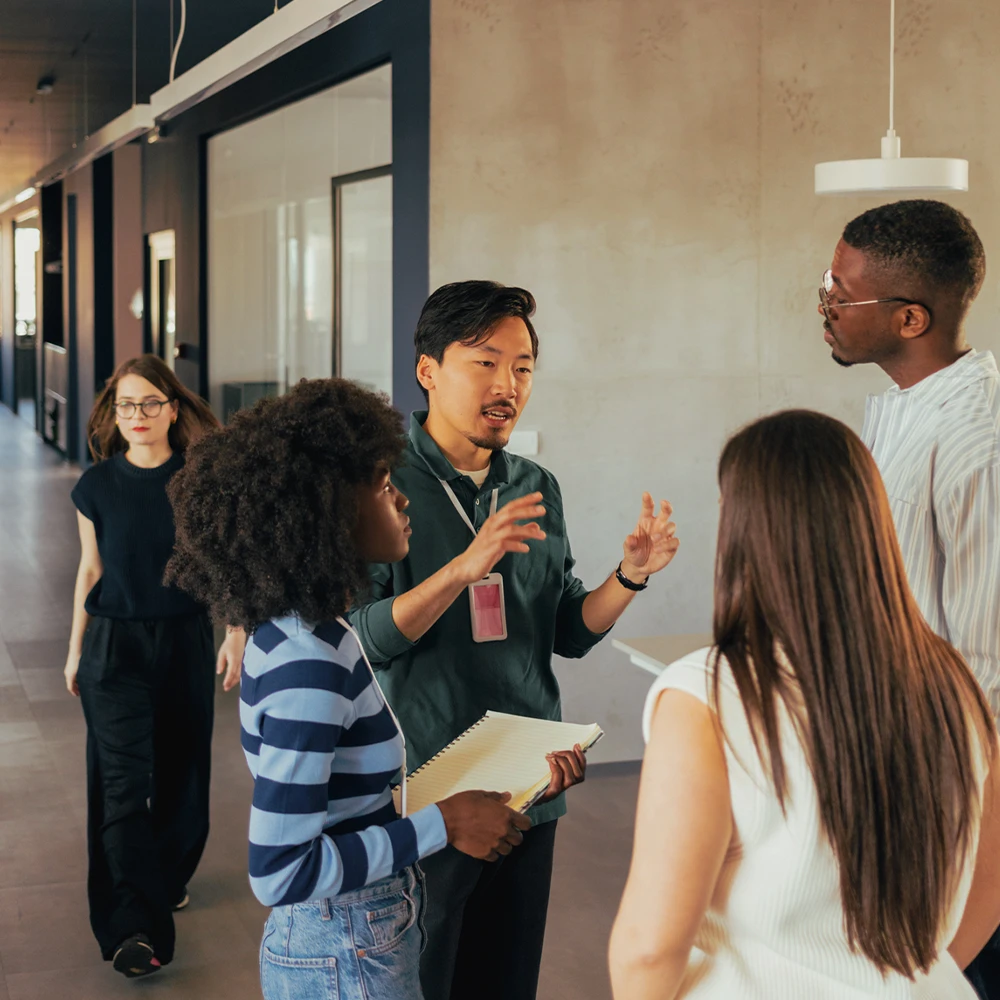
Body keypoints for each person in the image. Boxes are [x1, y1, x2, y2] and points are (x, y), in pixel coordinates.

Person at [346, 280, 680, 1000]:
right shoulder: (378, 482)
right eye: (486, 362)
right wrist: (463, 570)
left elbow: (565, 630)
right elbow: (365, 639)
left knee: (507, 982)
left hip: (533, 787)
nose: (509, 385)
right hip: (427, 795)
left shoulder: (533, 484)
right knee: (423, 982)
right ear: (428, 370)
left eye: (524, 367)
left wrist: (630, 576)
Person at [609, 409, 1000, 1000]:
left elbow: (649, 948)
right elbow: (989, 886)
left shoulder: (708, 695)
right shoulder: (955, 683)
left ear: (746, 527)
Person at [164, 377, 534, 1000]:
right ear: (329, 508)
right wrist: (443, 821)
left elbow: (344, 806)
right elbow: (280, 871)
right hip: (343, 948)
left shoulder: (312, 630)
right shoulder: (309, 664)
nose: (401, 498)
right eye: (383, 484)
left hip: (358, 933)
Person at [819, 199, 1000, 996]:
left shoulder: (979, 446)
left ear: (911, 317)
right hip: (899, 775)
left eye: (840, 291)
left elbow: (990, 667)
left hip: (962, 805)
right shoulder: (898, 410)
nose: (823, 303)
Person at [65, 354, 240, 978]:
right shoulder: (95, 486)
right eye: (125, 405)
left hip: (184, 637)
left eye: (148, 404)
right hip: (114, 646)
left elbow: (225, 563)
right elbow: (92, 570)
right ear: (115, 413)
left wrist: (236, 630)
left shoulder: (200, 480)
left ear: (172, 408)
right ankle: (131, 926)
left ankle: (165, 874)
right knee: (119, 785)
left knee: (181, 770)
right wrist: (75, 648)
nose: (136, 416)